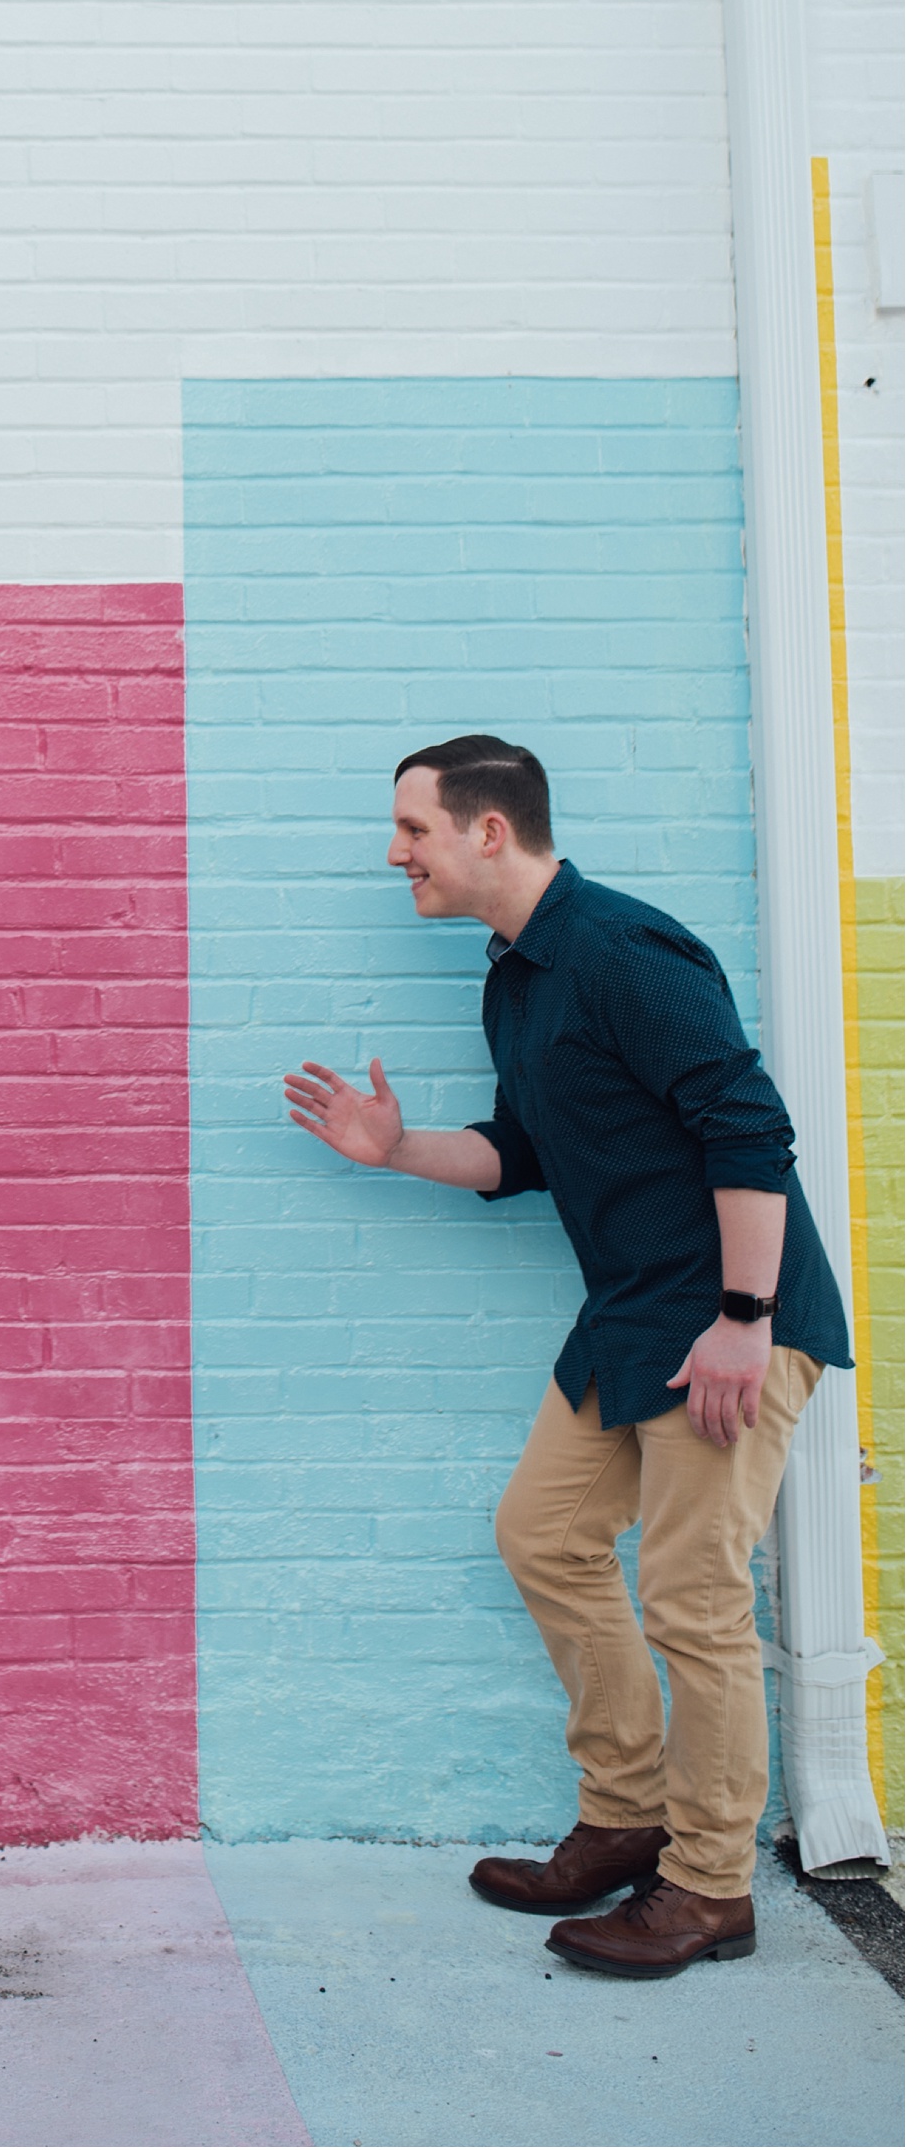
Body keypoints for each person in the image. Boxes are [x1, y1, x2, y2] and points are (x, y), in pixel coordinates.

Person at [283, 734, 852, 1982]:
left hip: (725, 1322)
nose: (396, 853)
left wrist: (744, 1316)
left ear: (490, 829)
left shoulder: (620, 949)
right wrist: (393, 1147)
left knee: (692, 1600)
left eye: (413, 829)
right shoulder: (516, 973)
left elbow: (750, 1128)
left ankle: (707, 1886)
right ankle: (625, 1812)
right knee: (543, 1532)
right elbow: (524, 1149)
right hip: (628, 1315)